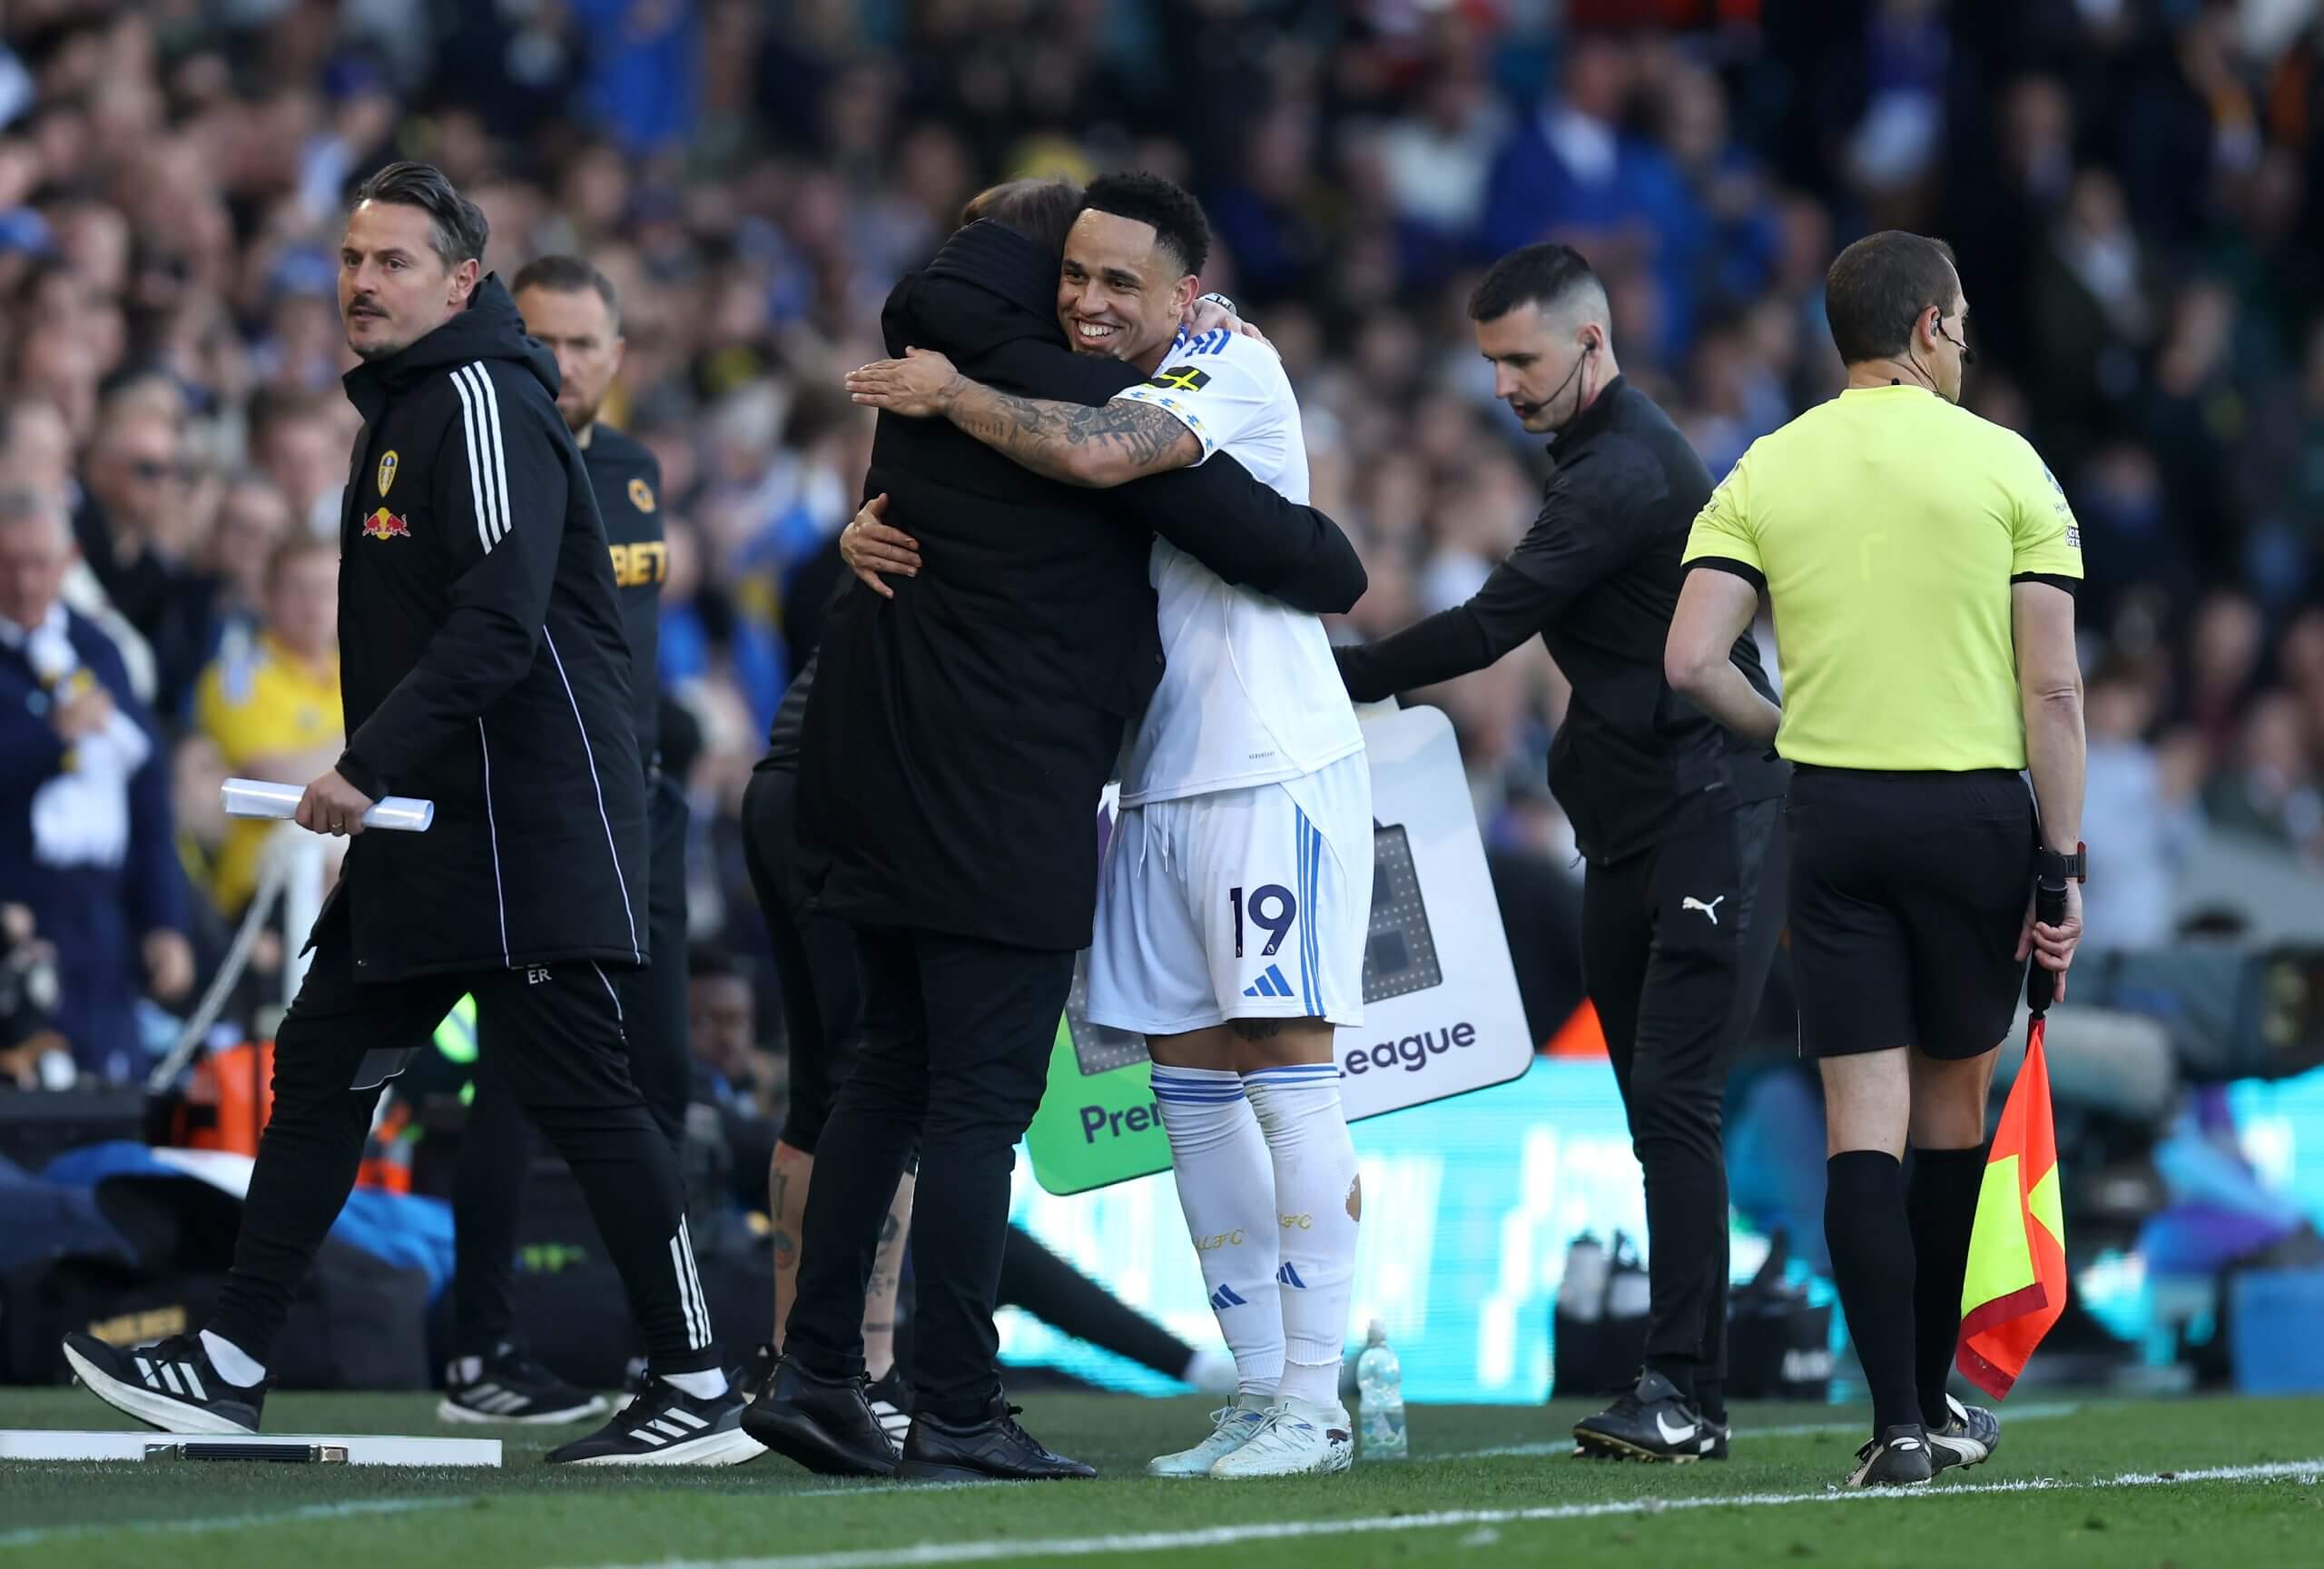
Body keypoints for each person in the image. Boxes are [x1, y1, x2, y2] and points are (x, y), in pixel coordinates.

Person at [57, 163, 754, 1468]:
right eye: (351, 257)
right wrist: (384, 806)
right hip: (437, 825)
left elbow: (502, 614)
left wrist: (366, 772)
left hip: (518, 820)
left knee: (592, 1100)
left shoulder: (481, 399)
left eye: (391, 261)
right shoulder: (413, 409)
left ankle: (702, 1379)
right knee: (321, 1069)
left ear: (461, 282)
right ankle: (230, 1362)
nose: (360, 281)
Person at [743, 177, 1365, 1484]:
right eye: (1073, 276)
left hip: (1248, 764)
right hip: (1075, 786)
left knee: (1250, 1071)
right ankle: (1191, 1396)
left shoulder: (1190, 367)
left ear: (1182, 294)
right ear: (1039, 275)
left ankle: (1307, 1398)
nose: (1087, 302)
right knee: (1127, 1091)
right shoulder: (1063, 392)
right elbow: (1272, 541)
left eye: (1116, 283)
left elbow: (1155, 485)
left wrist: (942, 410)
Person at [1330, 242, 1788, 1464]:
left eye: (1521, 359)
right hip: (1640, 826)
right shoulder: (1599, 459)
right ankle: (1677, 1384)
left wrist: (1330, 679)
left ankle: (1687, 1395)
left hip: (1711, 814)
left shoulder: (1623, 472)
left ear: (1592, 343)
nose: (1502, 386)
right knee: (1658, 1114)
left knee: (1678, 1109)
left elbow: (1490, 627)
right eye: (1488, 364)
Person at [1665, 229, 2084, 1488]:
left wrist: (1788, 723)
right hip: (1972, 819)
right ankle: (1945, 1403)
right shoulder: (2007, 464)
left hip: (1835, 813)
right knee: (1955, 1107)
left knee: (1865, 1122)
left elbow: (1689, 659)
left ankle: (1897, 1422)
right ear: (1925, 330)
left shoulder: (1770, 464)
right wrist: (2060, 865)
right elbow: (2054, 691)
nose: (1964, 343)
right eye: (1958, 323)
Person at [429, 253, 694, 1428]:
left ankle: (667, 1355)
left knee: (665, 1079)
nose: (565, 363)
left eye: (587, 344)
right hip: (526, 817)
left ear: (618, 357)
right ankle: (480, 1349)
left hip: (638, 812)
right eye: (544, 339)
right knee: (511, 1091)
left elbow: (624, 649)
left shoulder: (634, 474)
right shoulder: (477, 463)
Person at [0, 486, 192, 1081]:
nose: (24, 583)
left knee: (112, 1103)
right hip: (17, 923)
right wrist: (51, 736)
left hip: (101, 926)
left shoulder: (97, 649)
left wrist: (166, 921)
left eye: (38, 564)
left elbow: (147, 799)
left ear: (68, 563)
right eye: (7, 565)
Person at [192, 535, 342, 917]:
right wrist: (370, 744)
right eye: (299, 589)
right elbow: (273, 779)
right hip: (261, 893)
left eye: (326, 589)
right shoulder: (237, 677)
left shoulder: (361, 674)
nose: (314, 605)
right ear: (268, 595)